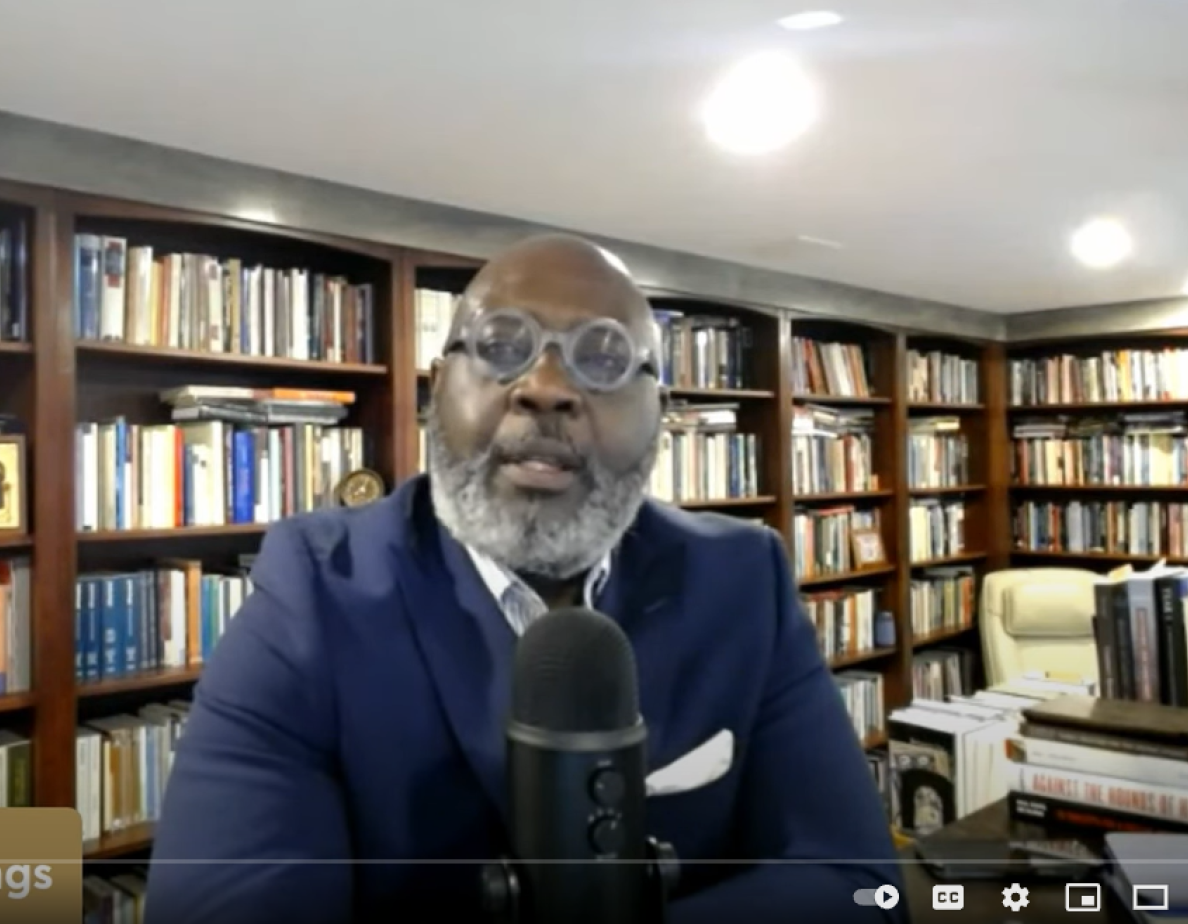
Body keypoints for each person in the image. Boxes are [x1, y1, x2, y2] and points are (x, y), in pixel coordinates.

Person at [143, 234, 906, 924]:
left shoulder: (744, 576)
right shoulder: (313, 587)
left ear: (660, 415)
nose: (544, 387)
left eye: (603, 359)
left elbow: (862, 884)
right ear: (437, 391)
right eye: (502, 347)